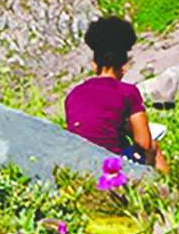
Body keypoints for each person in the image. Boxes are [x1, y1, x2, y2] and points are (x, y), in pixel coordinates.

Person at [64, 14, 165, 174]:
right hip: (110, 163)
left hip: (78, 164)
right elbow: (144, 143)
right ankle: (164, 190)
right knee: (154, 148)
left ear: (94, 66)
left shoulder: (73, 94)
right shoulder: (127, 92)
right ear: (123, 67)